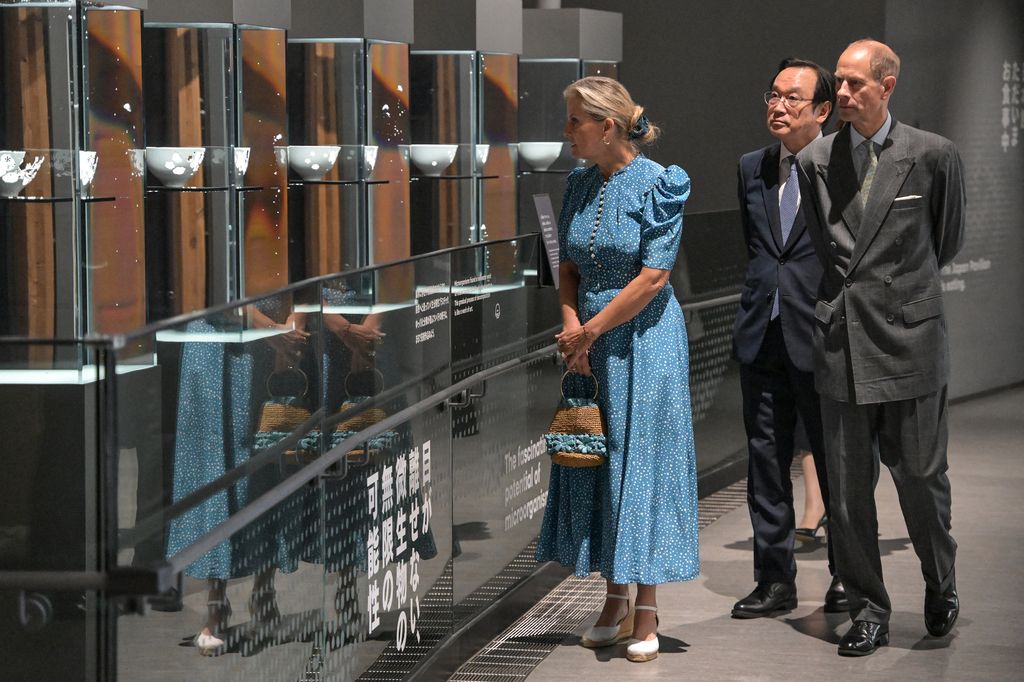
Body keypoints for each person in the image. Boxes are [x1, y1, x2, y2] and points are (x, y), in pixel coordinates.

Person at [796, 39, 965, 656]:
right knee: (846, 492)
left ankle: (940, 580)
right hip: (843, 340)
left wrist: (902, 298)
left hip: (912, 339)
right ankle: (869, 609)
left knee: (921, 479)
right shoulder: (815, 159)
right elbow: (827, 248)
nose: (841, 93)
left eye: (854, 84)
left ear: (887, 85)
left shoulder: (932, 155)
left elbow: (944, 240)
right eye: (838, 83)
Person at [535, 76, 699, 664]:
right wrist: (572, 327)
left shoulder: (661, 183)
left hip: (645, 340)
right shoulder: (579, 181)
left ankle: (647, 606)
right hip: (590, 340)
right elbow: (568, 267)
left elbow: (654, 277)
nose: (566, 132)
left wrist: (591, 330)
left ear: (607, 126)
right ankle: (613, 597)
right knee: (599, 460)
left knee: (642, 462)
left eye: (575, 121)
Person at [731, 58, 849, 619]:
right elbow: (759, 249)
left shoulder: (846, 165)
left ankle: (848, 577)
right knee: (766, 463)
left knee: (836, 462)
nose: (778, 107)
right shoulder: (751, 166)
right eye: (772, 96)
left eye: (792, 99)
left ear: (823, 110)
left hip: (823, 334)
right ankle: (774, 580)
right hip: (762, 332)